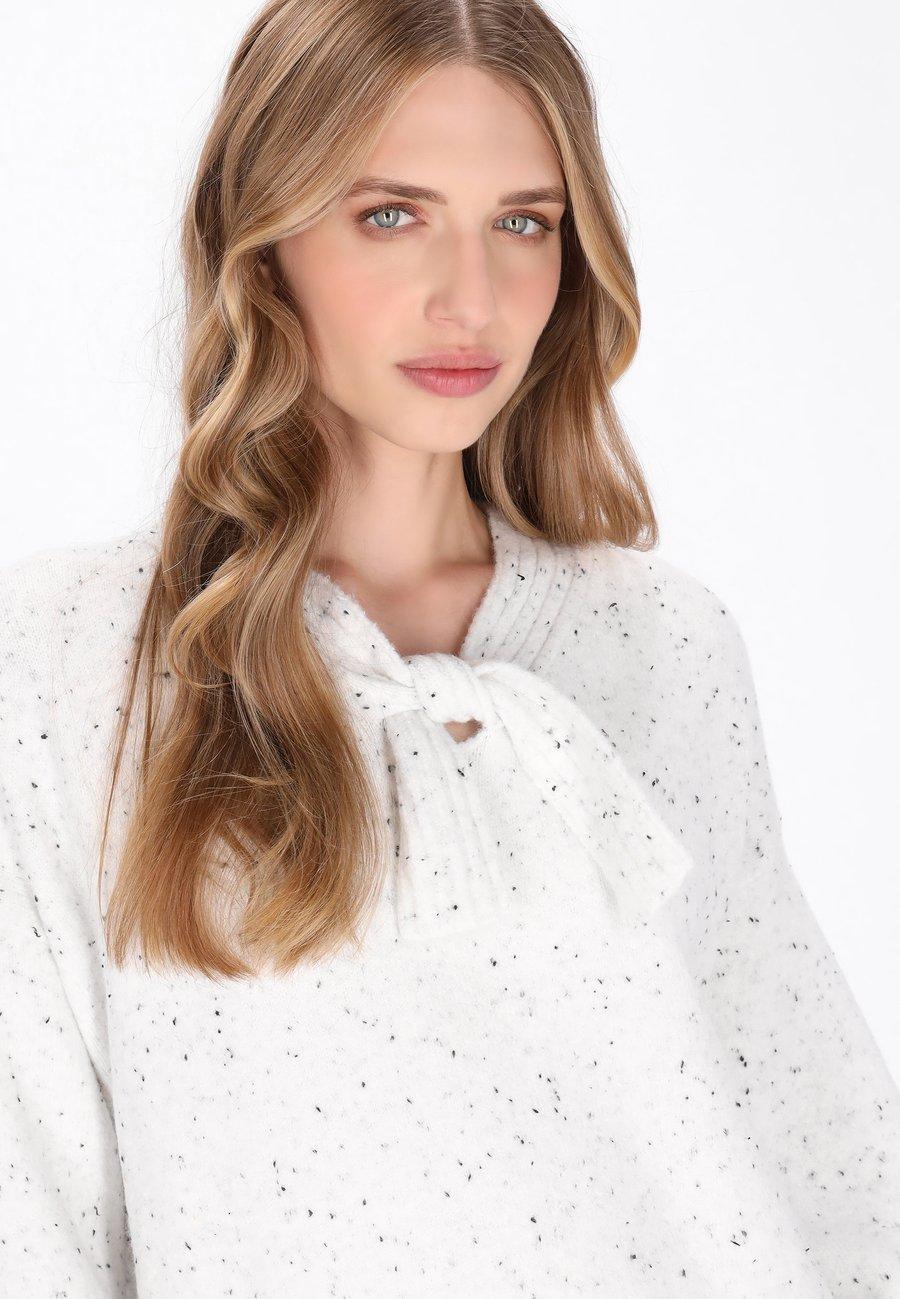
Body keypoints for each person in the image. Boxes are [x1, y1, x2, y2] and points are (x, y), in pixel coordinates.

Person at [2, 1, 898, 1295]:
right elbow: (30, 1214)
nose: (471, 300)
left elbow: (822, 1148)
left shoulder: (660, 643)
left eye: (523, 223)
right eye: (391, 215)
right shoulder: (67, 661)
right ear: (263, 240)